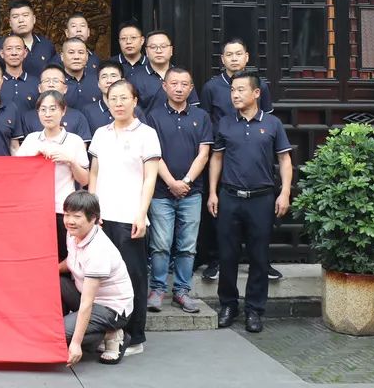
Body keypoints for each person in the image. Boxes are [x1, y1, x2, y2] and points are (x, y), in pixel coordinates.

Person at [208, 72, 293, 334]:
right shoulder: (225, 123)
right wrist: (213, 192)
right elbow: (217, 158)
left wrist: (285, 192)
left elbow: (285, 160)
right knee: (227, 255)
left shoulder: (273, 123)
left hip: (262, 198)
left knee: (259, 256)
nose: (235, 95)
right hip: (230, 197)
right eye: (232, 90)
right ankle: (228, 305)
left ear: (256, 93)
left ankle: (254, 310)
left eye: (241, 90)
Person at [87, 79, 160, 356]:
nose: (118, 103)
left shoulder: (147, 134)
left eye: (123, 98)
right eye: (113, 98)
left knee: (133, 276)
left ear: (134, 101)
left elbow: (150, 177)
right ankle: (110, 332)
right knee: (105, 278)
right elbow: (94, 173)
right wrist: (92, 210)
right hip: (102, 217)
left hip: (130, 217)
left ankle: (135, 336)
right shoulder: (101, 133)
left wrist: (141, 214)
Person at [198, 37, 277, 282]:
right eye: (229, 55)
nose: (234, 58)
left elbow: (267, 118)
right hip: (222, 151)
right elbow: (206, 119)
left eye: (238, 54)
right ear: (222, 59)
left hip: (254, 154)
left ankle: (263, 262)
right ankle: (215, 260)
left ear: (246, 57)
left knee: (260, 218)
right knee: (218, 210)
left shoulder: (260, 85)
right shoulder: (211, 87)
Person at [145, 67, 213, 314]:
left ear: (191, 88)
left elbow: (204, 154)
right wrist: (171, 182)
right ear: (164, 86)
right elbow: (153, 155)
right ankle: (157, 289)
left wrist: (185, 181)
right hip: (161, 193)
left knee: (187, 246)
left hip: (191, 193)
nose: (179, 88)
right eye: (174, 83)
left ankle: (182, 291)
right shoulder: (153, 117)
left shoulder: (201, 116)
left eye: (184, 84)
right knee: (160, 244)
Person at [61, 191, 134, 366]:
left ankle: (110, 334)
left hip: (111, 308)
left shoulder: (99, 251)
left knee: (58, 334)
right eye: (67, 214)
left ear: (93, 218)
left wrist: (76, 344)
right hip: (87, 296)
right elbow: (71, 262)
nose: (70, 220)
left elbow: (87, 303)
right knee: (53, 282)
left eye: (77, 216)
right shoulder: (73, 233)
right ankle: (76, 327)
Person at [17, 90, 90, 261]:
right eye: (43, 109)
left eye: (52, 109)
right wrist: (32, 159)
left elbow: (84, 180)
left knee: (63, 256)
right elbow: (17, 175)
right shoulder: (31, 140)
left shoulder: (74, 141)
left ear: (63, 111)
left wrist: (71, 161)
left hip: (62, 210)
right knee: (34, 256)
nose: (47, 114)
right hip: (34, 209)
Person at [131, 30, 200, 112]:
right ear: (146, 51)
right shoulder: (135, 79)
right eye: (153, 47)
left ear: (171, 50)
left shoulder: (183, 76)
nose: (159, 51)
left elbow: (193, 109)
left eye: (163, 46)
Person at [19, 65, 93, 142]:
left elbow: (81, 147)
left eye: (56, 81)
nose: (51, 84)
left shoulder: (78, 117)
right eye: (47, 81)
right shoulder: (28, 117)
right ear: (39, 88)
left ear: (65, 89)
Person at [0, 0, 58, 75]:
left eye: (25, 15)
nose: (21, 20)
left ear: (34, 19)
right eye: (15, 16)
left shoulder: (46, 45)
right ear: (10, 23)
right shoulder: (1, 46)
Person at [81, 60, 144, 135]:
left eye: (113, 76)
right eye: (104, 77)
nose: (109, 81)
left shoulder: (134, 109)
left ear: (123, 81)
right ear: (98, 84)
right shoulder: (88, 111)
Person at [0, 34, 40, 113]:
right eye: (9, 49)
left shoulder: (36, 83)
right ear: (2, 53)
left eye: (18, 48)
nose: (14, 53)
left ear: (25, 52)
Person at [60, 37, 101, 110]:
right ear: (62, 56)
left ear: (87, 56)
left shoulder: (98, 81)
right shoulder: (56, 83)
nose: (76, 57)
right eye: (71, 52)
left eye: (81, 52)